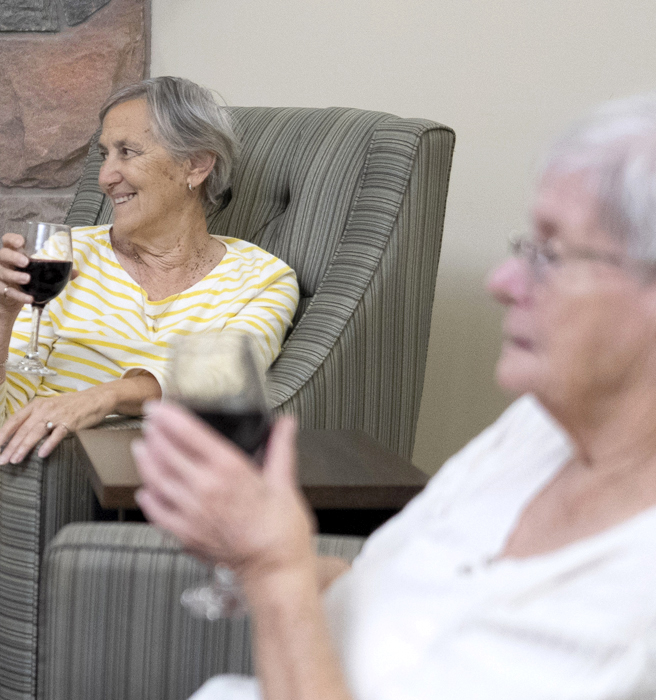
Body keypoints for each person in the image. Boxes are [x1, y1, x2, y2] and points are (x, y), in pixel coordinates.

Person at [135, 93, 656, 700]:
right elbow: (406, 598)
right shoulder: (536, 432)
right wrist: (256, 550)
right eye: (524, 248)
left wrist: (274, 571)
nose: (503, 282)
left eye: (551, 255)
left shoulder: (633, 594)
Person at [0, 76, 302, 700]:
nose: (106, 177)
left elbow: (226, 374)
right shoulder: (67, 255)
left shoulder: (258, 278)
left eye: (128, 152)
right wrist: (2, 314)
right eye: (105, 154)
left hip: (95, 475)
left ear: (195, 166)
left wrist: (100, 397)